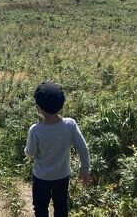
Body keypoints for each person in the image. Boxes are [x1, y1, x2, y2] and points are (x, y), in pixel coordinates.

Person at [24, 81, 90, 217]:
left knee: (40, 208)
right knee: (61, 207)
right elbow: (83, 148)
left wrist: (28, 150)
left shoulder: (35, 130)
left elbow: (30, 153)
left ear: (38, 108)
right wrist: (84, 170)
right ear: (61, 105)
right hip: (62, 177)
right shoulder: (70, 124)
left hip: (41, 178)